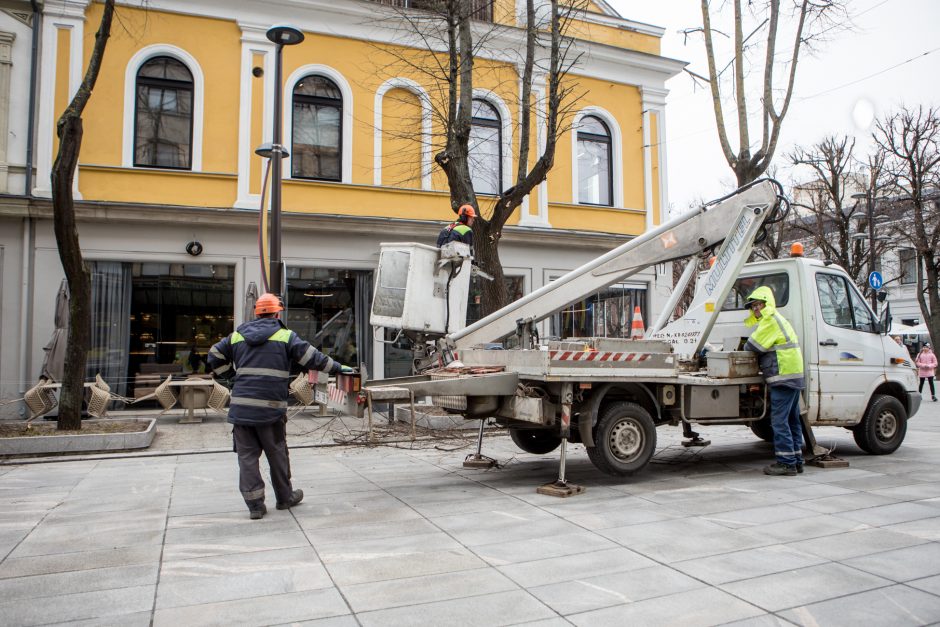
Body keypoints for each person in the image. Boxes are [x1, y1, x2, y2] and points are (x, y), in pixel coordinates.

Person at [208, 293, 354, 520]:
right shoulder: (285, 336)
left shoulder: (237, 336)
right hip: (270, 409)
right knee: (276, 453)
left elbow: (214, 354)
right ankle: (285, 498)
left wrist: (230, 377)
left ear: (257, 313)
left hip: (242, 409)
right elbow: (312, 358)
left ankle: (255, 506)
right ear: (278, 313)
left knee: (247, 457)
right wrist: (338, 367)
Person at [743, 286, 806, 477]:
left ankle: (786, 463)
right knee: (792, 419)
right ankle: (796, 460)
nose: (755, 309)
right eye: (753, 306)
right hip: (792, 376)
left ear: (767, 304)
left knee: (779, 421)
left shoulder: (770, 321)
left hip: (783, 377)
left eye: (758, 304)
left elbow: (752, 345)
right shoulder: (778, 319)